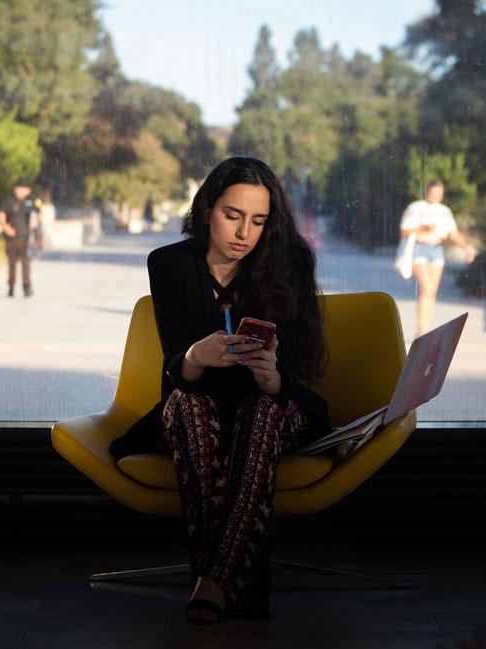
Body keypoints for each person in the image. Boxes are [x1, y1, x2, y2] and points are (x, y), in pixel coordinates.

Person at [109, 157, 330, 623]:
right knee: (188, 406)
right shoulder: (169, 264)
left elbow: (292, 378)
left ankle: (212, 580)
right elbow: (176, 370)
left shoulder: (287, 264)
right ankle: (240, 584)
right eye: (233, 216)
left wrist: (270, 378)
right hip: (199, 404)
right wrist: (194, 357)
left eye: (257, 221)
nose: (244, 233)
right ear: (208, 208)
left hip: (273, 404)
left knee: (261, 415)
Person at [399, 180, 475, 337]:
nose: (435, 196)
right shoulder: (416, 207)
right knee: (425, 288)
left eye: (439, 194)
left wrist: (466, 247)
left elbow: (453, 233)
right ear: (427, 192)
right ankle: (421, 330)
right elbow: (404, 230)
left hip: (437, 250)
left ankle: (426, 328)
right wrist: (423, 228)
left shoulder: (444, 211)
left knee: (431, 291)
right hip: (419, 249)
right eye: (433, 193)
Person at [0, 178, 41, 298]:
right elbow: (1, 215)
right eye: (19, 188)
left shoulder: (31, 202)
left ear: (28, 190)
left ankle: (27, 286)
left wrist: (36, 230)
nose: (20, 191)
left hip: (26, 238)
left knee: (26, 263)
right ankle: (11, 286)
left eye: (23, 189)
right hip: (11, 238)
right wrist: (5, 227)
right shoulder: (8, 201)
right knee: (11, 263)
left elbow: (37, 216)